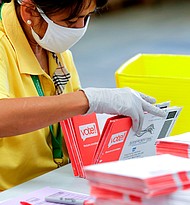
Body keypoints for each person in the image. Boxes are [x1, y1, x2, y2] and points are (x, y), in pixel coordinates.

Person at [0, 0, 166, 191]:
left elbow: (68, 117)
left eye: (86, 17)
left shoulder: (52, 48)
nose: (79, 28)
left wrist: (111, 133)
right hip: (10, 194)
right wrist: (88, 100)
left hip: (50, 184)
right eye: (70, 22)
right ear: (30, 11)